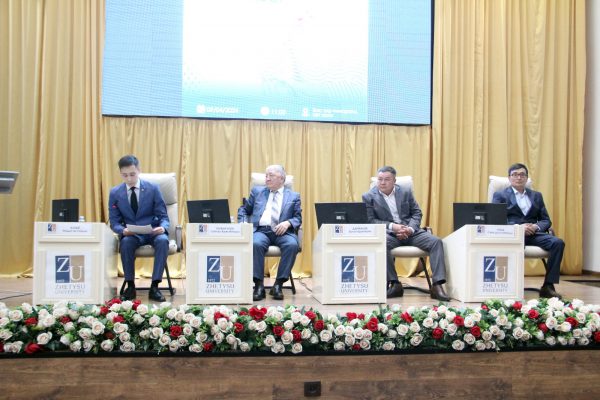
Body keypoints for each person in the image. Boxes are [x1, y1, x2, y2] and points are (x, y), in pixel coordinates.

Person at [362, 166, 450, 301]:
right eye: (380, 179)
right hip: (390, 234)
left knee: (436, 242)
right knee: (381, 244)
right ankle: (395, 284)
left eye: (387, 179)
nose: (382, 182)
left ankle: (437, 286)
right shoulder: (368, 196)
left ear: (394, 181)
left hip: (411, 232)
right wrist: (393, 227)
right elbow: (371, 220)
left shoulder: (405, 192)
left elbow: (416, 213)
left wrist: (409, 229)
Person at [492, 163, 565, 299]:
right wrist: (519, 228)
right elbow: (496, 220)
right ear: (509, 178)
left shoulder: (537, 196)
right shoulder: (500, 195)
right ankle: (509, 287)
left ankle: (548, 286)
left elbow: (546, 220)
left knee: (558, 243)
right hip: (513, 234)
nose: (519, 177)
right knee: (517, 246)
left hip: (534, 233)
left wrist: (535, 227)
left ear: (526, 178)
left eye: (522, 175)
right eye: (515, 174)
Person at [108, 155, 170, 302]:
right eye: (125, 175)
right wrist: (122, 230)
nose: (129, 178)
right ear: (120, 173)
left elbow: (163, 216)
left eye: (132, 174)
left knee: (163, 240)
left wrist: (163, 227)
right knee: (125, 243)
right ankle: (130, 286)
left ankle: (155, 286)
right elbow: (114, 222)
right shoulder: (115, 193)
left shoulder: (153, 188)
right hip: (132, 234)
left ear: (139, 170)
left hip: (152, 231)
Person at [238, 165, 302, 301]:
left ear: (282, 178)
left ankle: (278, 285)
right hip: (262, 230)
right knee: (255, 243)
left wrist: (288, 223)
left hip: (283, 232)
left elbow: (298, 218)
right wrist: (243, 223)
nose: (267, 178)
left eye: (271, 175)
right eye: (266, 175)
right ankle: (258, 285)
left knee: (292, 245)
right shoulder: (257, 192)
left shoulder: (294, 196)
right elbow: (244, 210)